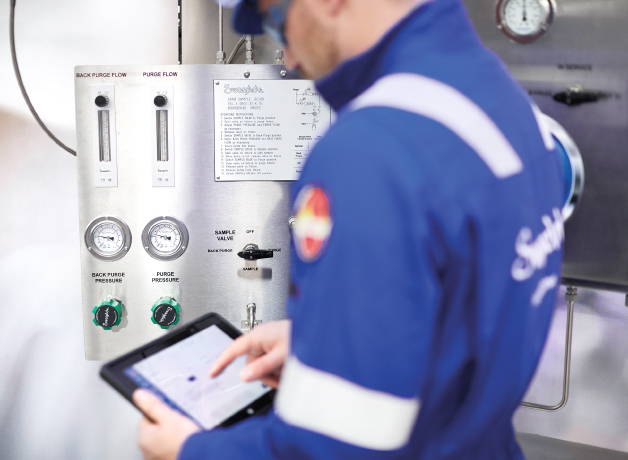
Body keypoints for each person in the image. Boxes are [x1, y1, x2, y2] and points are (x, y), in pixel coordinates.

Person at [133, 0, 565, 458]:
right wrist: (326, 342)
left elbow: (332, 451)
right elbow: (464, 312)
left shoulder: (370, 150)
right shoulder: (497, 96)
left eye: (278, 23)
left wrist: (190, 451)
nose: (290, 57)